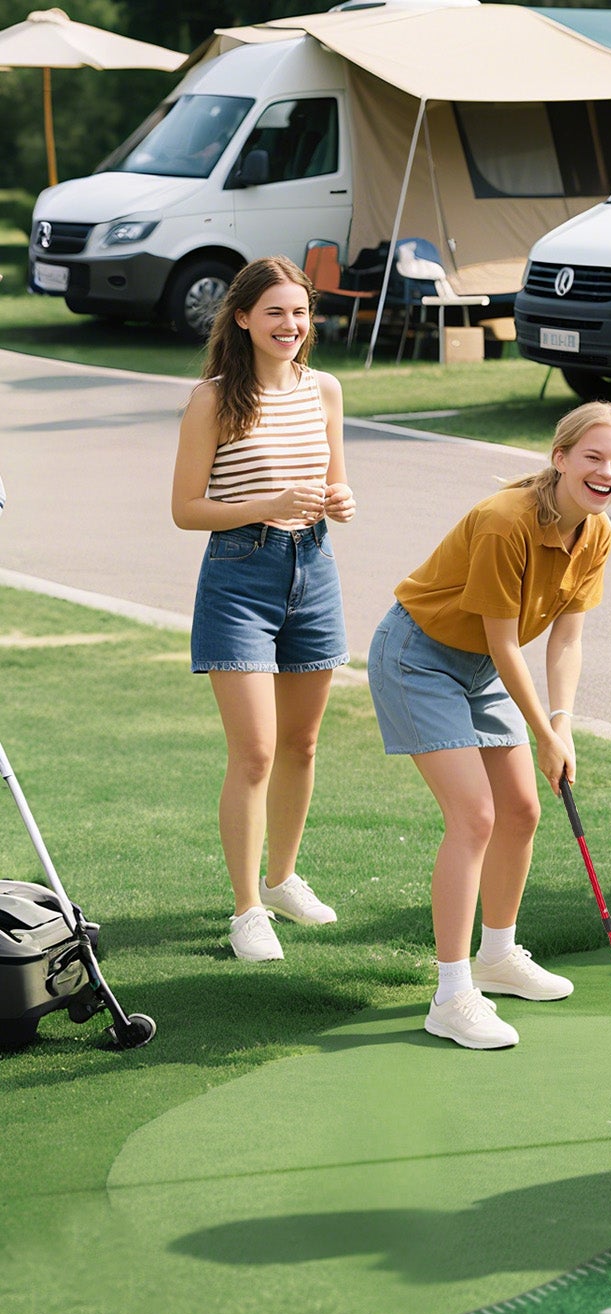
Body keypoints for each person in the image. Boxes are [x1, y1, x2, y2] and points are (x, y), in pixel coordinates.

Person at [367, 402, 611, 1049]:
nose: (605, 472)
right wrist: (543, 732)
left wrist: (562, 722)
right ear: (561, 457)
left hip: (484, 668)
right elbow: (504, 640)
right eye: (593, 457)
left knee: (520, 809)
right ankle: (452, 994)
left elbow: (566, 639)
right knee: (475, 816)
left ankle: (497, 957)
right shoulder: (504, 523)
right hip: (419, 657)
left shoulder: (595, 531)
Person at [171, 256, 355, 964]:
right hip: (238, 574)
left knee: (302, 745)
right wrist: (268, 506)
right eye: (275, 312)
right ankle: (247, 908)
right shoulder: (212, 399)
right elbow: (187, 509)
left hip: (314, 566)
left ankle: (282, 880)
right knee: (255, 751)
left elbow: (335, 482)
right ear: (243, 317)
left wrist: (341, 500)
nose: (291, 325)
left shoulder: (326, 391)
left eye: (300, 313)